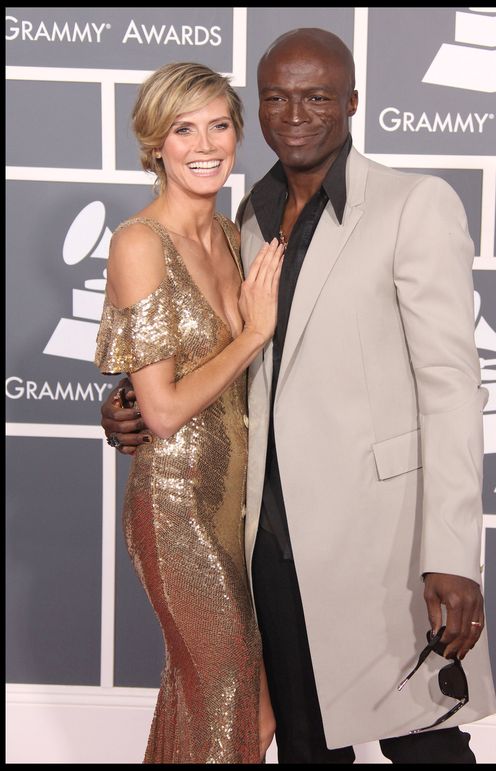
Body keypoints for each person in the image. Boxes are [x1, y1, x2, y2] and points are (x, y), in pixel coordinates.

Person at [101, 29, 496, 764]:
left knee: (424, 743)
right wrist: (131, 398)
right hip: (270, 536)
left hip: (383, 538)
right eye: (277, 98)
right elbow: (214, 350)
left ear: (351, 102)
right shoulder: (249, 215)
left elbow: (451, 390)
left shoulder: (414, 204)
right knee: (305, 744)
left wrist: (454, 552)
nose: (295, 114)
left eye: (317, 97)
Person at [94, 61, 283, 764]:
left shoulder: (236, 237)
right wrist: (254, 334)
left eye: (218, 124)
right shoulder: (139, 243)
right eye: (183, 128)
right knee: (243, 712)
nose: (205, 143)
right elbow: (164, 409)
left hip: (236, 509)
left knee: (200, 703)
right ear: (156, 144)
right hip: (175, 512)